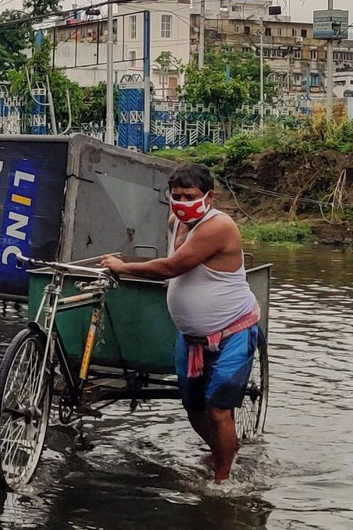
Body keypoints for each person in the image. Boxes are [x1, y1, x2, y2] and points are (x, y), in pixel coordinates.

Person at [100, 163, 259, 483]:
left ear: (209, 197)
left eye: (190, 196)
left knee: (218, 410)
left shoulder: (219, 226)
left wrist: (123, 267)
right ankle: (223, 452)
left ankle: (223, 481)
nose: (182, 202)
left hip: (233, 332)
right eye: (177, 196)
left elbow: (172, 267)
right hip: (191, 338)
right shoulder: (175, 222)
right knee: (194, 408)